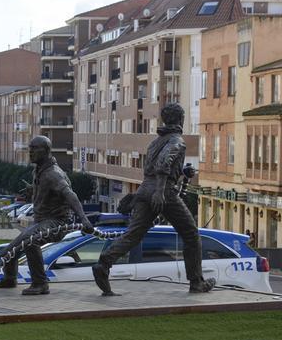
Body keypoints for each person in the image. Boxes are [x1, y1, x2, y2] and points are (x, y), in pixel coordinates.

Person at [92, 103, 215, 295]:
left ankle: (104, 263)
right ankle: (196, 282)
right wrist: (159, 191)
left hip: (144, 191)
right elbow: (163, 163)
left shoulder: (155, 142)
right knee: (191, 235)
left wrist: (182, 172)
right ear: (181, 120)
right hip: (163, 192)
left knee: (133, 235)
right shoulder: (177, 141)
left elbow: (156, 167)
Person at [0, 136, 94, 295]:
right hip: (40, 222)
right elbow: (49, 192)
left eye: (34, 148)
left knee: (31, 241)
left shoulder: (52, 174)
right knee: (7, 252)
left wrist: (84, 219)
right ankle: (10, 279)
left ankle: (40, 283)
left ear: (46, 151)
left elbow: (69, 195)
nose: (30, 152)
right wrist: (33, 190)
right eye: (29, 148)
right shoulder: (40, 170)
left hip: (56, 223)